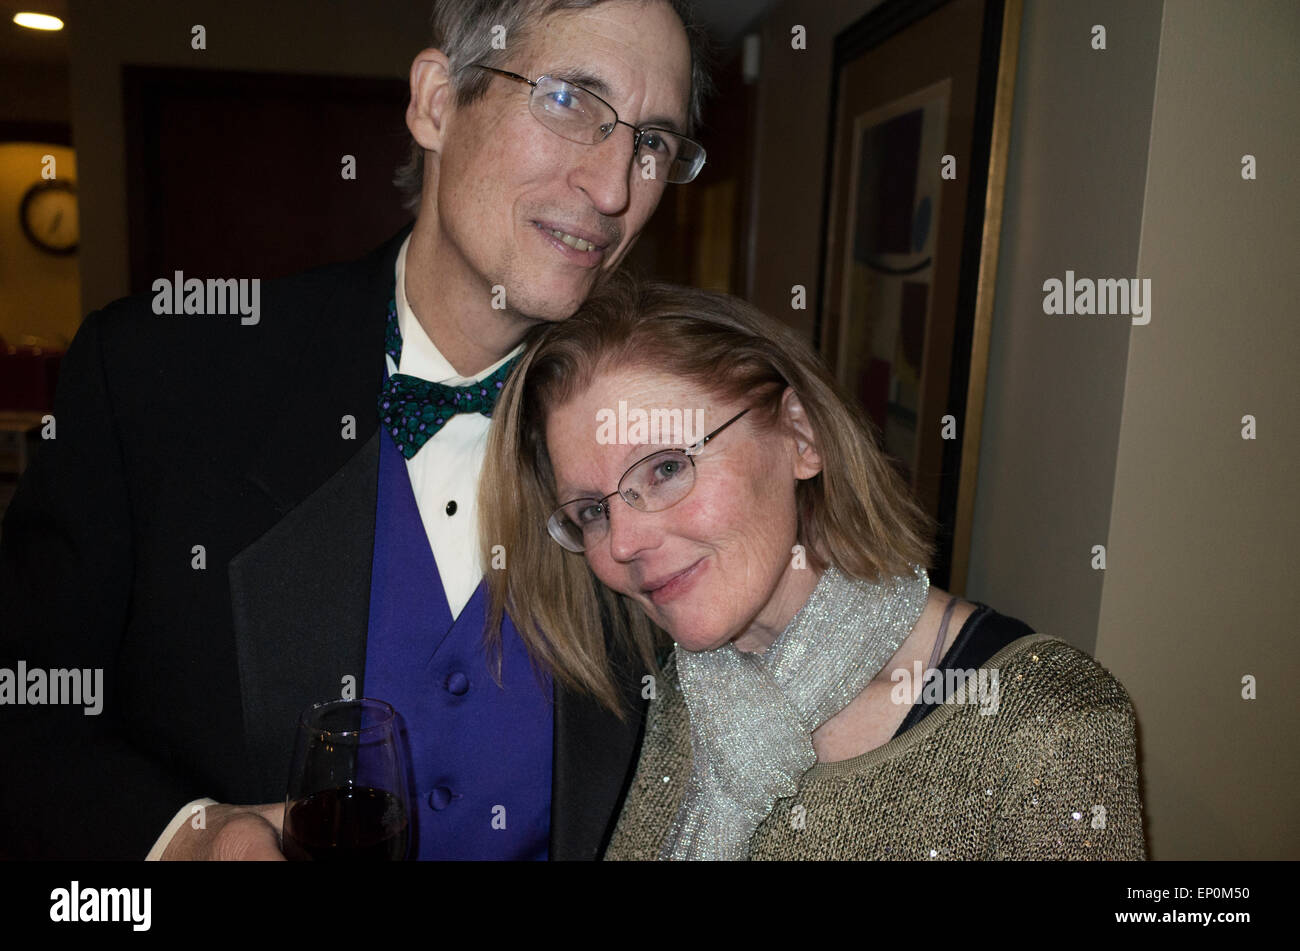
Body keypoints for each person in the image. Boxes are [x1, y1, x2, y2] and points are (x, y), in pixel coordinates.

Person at [0, 0, 710, 860]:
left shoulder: (669, 441)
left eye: (652, 143)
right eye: (568, 102)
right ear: (437, 102)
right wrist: (183, 834)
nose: (613, 189)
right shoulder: (153, 379)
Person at [480, 274, 1148, 860]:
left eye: (664, 468)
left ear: (801, 435)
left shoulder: (1041, 725)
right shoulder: (656, 692)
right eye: (592, 510)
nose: (624, 541)